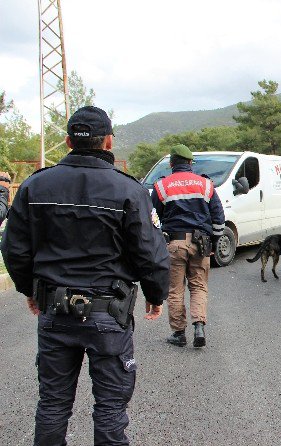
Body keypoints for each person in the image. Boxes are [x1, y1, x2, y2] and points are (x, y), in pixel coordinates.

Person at [0, 105, 170, 445]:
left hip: (55, 310)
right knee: (109, 407)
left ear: (67, 142)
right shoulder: (127, 189)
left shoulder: (36, 186)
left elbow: (14, 248)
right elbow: (148, 252)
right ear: (108, 142)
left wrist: (29, 290)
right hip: (107, 313)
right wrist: (156, 294)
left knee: (52, 403)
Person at [152, 144, 225, 348]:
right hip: (201, 244)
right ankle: (199, 326)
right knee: (199, 286)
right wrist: (215, 241)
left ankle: (178, 333)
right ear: (190, 163)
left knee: (175, 289)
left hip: (174, 243)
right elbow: (218, 216)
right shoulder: (206, 185)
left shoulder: (161, 187)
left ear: (171, 163)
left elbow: (152, 218)